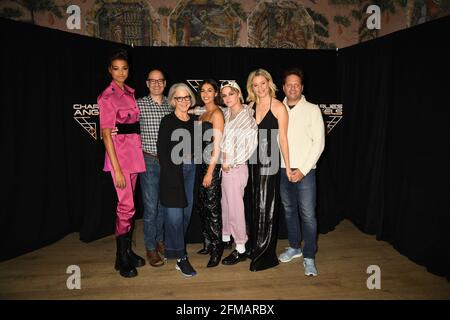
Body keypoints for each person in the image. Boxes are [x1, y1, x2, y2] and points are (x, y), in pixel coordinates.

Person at [98, 50, 146, 278]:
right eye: (116, 68)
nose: (121, 72)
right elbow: (106, 134)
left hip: (133, 155)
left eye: (124, 68)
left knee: (130, 207)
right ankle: (120, 259)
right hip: (120, 159)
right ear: (109, 70)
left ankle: (127, 251)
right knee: (125, 208)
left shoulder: (129, 93)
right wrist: (117, 169)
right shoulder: (107, 97)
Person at [278, 68, 325, 276]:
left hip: (305, 172)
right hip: (282, 169)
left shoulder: (313, 109)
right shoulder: (278, 108)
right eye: (289, 84)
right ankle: (295, 247)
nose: (293, 87)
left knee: (307, 214)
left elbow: (319, 144)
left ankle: (309, 256)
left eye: (297, 84)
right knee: (289, 210)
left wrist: (303, 170)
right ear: (283, 87)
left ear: (302, 87)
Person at [245, 68, 292, 272]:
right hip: (252, 160)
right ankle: (256, 247)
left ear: (269, 83)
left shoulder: (279, 106)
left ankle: (265, 255)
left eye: (262, 83)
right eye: (255, 85)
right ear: (251, 88)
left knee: (267, 206)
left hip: (270, 159)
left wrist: (288, 167)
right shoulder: (250, 106)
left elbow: (283, 139)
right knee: (254, 204)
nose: (260, 88)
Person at [157, 83, 197, 277]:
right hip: (173, 172)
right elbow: (162, 152)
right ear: (173, 100)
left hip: (191, 171)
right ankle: (181, 258)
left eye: (187, 97)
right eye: (179, 98)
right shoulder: (167, 121)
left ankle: (173, 249)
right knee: (174, 217)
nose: (183, 101)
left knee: (186, 215)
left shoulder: (195, 121)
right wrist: (173, 174)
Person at [219, 81, 258, 266]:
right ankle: (227, 237)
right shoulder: (227, 113)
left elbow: (251, 146)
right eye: (224, 95)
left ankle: (241, 247)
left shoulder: (246, 116)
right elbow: (206, 111)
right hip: (226, 168)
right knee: (226, 205)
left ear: (239, 94)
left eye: (231, 94)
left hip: (236, 167)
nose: (227, 98)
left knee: (235, 208)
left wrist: (230, 161)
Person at [137, 69, 172, 267]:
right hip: (149, 160)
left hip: (168, 162)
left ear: (165, 83)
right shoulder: (139, 104)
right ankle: (150, 248)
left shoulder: (171, 104)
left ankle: (160, 241)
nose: (157, 84)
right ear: (147, 83)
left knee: (162, 206)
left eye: (160, 81)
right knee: (150, 207)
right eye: (153, 81)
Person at [195, 79, 225, 268]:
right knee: (202, 205)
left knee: (213, 208)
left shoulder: (217, 114)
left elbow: (217, 146)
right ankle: (207, 242)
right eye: (202, 91)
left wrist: (210, 172)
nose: (206, 94)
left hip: (211, 165)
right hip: (201, 164)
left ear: (215, 93)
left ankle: (217, 248)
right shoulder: (202, 114)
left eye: (209, 90)